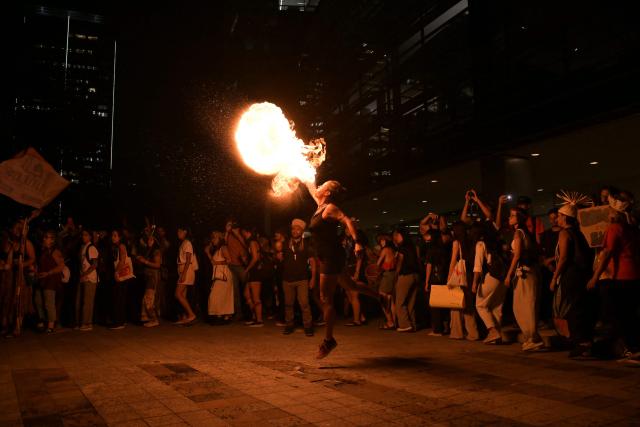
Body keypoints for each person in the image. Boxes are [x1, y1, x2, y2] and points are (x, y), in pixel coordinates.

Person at [305, 180, 382, 359]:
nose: (319, 187)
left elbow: (346, 219)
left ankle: (328, 340)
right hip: (329, 256)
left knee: (325, 297)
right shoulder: (320, 205)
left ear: (327, 193)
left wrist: (357, 242)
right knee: (351, 285)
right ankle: (381, 297)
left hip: (331, 257)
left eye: (322, 186)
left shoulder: (330, 208)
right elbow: (309, 183)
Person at [588, 193, 640, 359]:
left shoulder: (614, 229)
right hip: (634, 274)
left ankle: (628, 348)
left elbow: (608, 254)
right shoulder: (632, 228)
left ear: (614, 212)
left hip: (620, 277)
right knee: (631, 313)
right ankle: (633, 345)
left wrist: (595, 277)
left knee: (619, 315)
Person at [550, 192, 595, 358]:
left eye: (559, 216)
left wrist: (555, 277)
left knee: (574, 309)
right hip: (581, 274)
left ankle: (582, 344)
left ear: (565, 217)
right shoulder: (579, 232)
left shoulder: (564, 233)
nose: (557, 219)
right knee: (581, 307)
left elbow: (563, 258)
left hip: (571, 275)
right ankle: (585, 342)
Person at [505, 207, 544, 351]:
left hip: (525, 272)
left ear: (518, 219)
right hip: (529, 271)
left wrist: (509, 275)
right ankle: (532, 337)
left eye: (512, 215)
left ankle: (532, 337)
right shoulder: (525, 233)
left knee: (524, 305)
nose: (509, 217)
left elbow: (517, 255)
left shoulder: (518, 233)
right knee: (527, 304)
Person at [472, 223, 507, 344]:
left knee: (480, 305)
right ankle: (497, 336)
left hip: (491, 276)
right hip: (503, 277)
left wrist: (474, 283)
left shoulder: (481, 244)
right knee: (497, 307)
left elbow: (478, 266)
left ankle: (493, 331)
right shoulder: (498, 244)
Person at [281, 219, 316, 336]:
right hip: (287, 279)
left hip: (302, 279)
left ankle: (308, 326)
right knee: (288, 304)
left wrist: (313, 278)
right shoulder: (285, 243)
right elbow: (281, 258)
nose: (295, 231)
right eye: (293, 229)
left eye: (298, 229)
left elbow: (312, 261)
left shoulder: (307, 244)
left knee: (304, 304)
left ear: (302, 231)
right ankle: (289, 325)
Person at [448, 222, 479, 340]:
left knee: (455, 304)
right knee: (468, 305)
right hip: (469, 275)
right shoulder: (471, 241)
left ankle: (457, 332)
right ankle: (473, 333)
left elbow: (453, 261)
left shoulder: (457, 243)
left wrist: (449, 278)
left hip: (459, 277)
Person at [35, 231, 65, 333]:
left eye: (46, 237)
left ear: (52, 240)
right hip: (41, 279)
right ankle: (42, 320)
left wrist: (49, 273)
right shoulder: (43, 251)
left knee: (49, 302)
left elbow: (61, 266)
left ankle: (51, 324)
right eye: (44, 237)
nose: (44, 239)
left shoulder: (55, 252)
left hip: (51, 280)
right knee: (38, 300)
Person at [424, 229, 451, 336]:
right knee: (443, 303)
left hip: (434, 278)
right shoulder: (444, 248)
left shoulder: (431, 249)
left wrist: (426, 282)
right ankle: (446, 327)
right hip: (443, 277)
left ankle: (437, 330)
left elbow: (429, 266)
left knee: (434, 304)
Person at [394, 228, 420, 333]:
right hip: (416, 275)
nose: (395, 238)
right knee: (411, 302)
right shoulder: (413, 247)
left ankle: (405, 325)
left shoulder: (402, 248)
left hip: (406, 276)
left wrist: (396, 275)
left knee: (400, 302)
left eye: (397, 235)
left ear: (401, 235)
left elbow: (400, 263)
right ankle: (412, 324)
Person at [207, 231, 234, 321]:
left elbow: (229, 260)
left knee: (216, 295)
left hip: (224, 275)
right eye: (212, 238)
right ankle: (221, 315)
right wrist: (208, 253)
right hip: (219, 275)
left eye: (214, 238)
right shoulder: (217, 250)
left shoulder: (223, 248)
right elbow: (212, 262)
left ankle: (223, 315)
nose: (212, 240)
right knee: (219, 296)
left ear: (219, 238)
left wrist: (217, 263)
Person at [110, 229, 134, 330]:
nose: (113, 237)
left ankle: (119, 322)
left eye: (115, 235)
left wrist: (116, 272)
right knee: (120, 298)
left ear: (120, 237)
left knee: (119, 298)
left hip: (122, 275)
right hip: (122, 275)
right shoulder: (117, 246)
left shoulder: (121, 246)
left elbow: (122, 260)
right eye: (112, 235)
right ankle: (121, 321)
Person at [137, 234, 163, 327]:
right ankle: (148, 318)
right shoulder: (148, 250)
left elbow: (157, 265)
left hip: (152, 277)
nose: (149, 241)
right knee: (147, 298)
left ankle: (154, 319)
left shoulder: (156, 251)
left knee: (148, 299)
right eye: (148, 240)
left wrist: (144, 261)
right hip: (148, 277)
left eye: (152, 240)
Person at [75, 229, 99, 331]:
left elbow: (94, 264)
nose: (83, 237)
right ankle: (80, 322)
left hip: (90, 278)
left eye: (86, 235)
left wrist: (84, 274)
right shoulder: (83, 247)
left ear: (90, 237)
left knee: (87, 301)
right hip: (83, 277)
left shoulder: (91, 247)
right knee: (79, 301)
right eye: (82, 235)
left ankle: (87, 323)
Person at [174, 226, 198, 325]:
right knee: (183, 295)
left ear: (185, 231)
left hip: (186, 271)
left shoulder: (187, 243)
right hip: (183, 270)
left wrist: (183, 274)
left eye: (180, 231)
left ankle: (191, 314)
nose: (178, 233)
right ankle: (186, 316)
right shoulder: (183, 243)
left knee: (177, 294)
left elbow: (188, 260)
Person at [225, 219, 248, 320]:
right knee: (235, 292)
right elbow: (224, 243)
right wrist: (227, 231)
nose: (232, 227)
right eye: (230, 225)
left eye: (233, 225)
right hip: (232, 266)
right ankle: (238, 313)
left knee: (247, 289)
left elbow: (246, 245)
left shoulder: (241, 234)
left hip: (242, 266)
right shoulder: (228, 235)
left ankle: (250, 313)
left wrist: (237, 233)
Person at [242, 229, 264, 327]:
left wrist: (247, 269)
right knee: (247, 294)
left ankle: (259, 320)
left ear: (249, 232)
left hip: (255, 272)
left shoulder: (252, 242)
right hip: (253, 271)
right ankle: (254, 316)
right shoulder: (252, 243)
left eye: (244, 233)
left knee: (256, 298)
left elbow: (255, 258)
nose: (243, 235)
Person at [376, 234, 396, 330]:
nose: (381, 242)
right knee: (391, 299)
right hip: (393, 275)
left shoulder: (385, 250)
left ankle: (389, 321)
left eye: (382, 240)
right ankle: (395, 322)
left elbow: (378, 264)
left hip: (387, 275)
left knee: (383, 298)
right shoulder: (393, 250)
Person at [0, 232, 14, 335]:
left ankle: (5, 325)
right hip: (3, 276)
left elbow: (8, 265)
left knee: (6, 300)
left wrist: (4, 265)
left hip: (7, 277)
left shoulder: (10, 248)